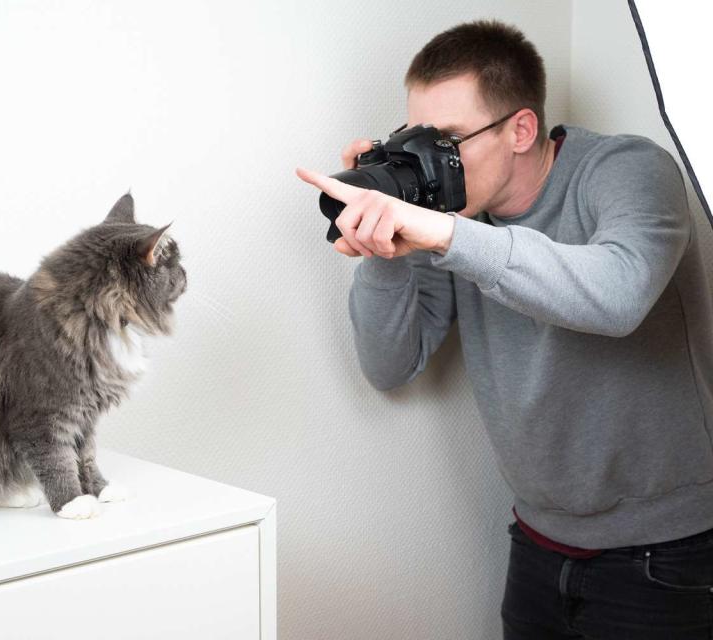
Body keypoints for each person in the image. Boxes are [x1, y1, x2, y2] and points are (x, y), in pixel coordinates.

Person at [296, 20, 713, 639]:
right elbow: (391, 364)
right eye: (417, 139)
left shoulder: (627, 168)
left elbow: (618, 296)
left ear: (521, 129)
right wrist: (386, 252)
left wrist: (447, 235)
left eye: (450, 139)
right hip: (539, 544)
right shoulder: (457, 220)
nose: (431, 160)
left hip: (667, 554)